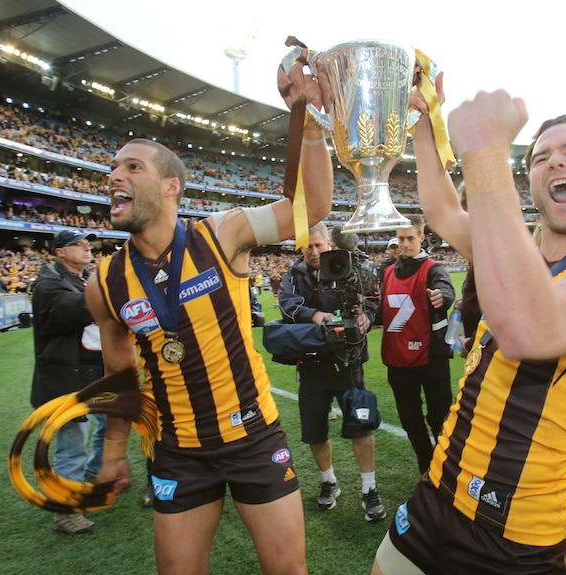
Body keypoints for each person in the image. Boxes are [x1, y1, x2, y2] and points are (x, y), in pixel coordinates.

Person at [371, 82, 566, 574]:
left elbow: (529, 328)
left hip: (516, 532)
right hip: (436, 491)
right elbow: (443, 210)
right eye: (540, 157)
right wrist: (425, 120)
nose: (554, 161)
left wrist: (485, 153)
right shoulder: (517, 255)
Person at [84, 53, 333, 574]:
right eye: (112, 167)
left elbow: (313, 207)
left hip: (252, 435)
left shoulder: (222, 233)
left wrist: (309, 124)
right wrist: (113, 452)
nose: (114, 176)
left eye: (132, 167)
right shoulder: (103, 281)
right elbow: (118, 372)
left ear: (171, 187)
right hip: (177, 449)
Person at [278, 223, 385, 522]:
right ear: (301, 246)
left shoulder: (350, 265)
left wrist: (366, 317)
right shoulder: (294, 275)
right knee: (314, 431)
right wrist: (314, 315)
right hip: (311, 364)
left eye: (318, 245)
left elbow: (373, 299)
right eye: (308, 246)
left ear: (330, 243)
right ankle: (329, 480)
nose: (314, 252)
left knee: (360, 426)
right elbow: (285, 304)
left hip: (348, 362)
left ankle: (369, 488)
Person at [30, 229, 106, 535]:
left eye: (88, 243)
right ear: (60, 251)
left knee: (108, 427)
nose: (87, 247)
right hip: (67, 376)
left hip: (95, 371)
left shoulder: (85, 279)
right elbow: (68, 311)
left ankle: (92, 479)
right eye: (78, 244)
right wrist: (107, 294)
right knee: (72, 443)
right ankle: (66, 511)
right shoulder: (48, 283)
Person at [379, 214, 455, 475]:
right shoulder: (388, 272)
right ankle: (427, 465)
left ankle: (446, 467)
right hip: (398, 360)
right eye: (401, 239)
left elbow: (445, 290)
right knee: (410, 421)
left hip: (431, 357)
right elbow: (380, 311)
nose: (405, 244)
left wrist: (441, 297)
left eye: (410, 238)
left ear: (421, 238)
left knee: (440, 418)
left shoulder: (434, 269)